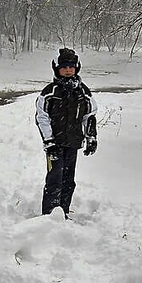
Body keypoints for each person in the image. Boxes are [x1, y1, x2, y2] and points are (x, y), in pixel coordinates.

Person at [35, 47, 98, 218]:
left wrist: (91, 136)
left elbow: (89, 114)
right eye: (64, 67)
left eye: (71, 67)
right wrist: (49, 141)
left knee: (68, 180)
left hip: (73, 142)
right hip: (54, 144)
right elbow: (42, 117)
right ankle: (49, 215)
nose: (68, 70)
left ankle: (63, 212)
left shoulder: (83, 91)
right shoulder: (50, 93)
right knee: (55, 178)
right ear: (57, 69)